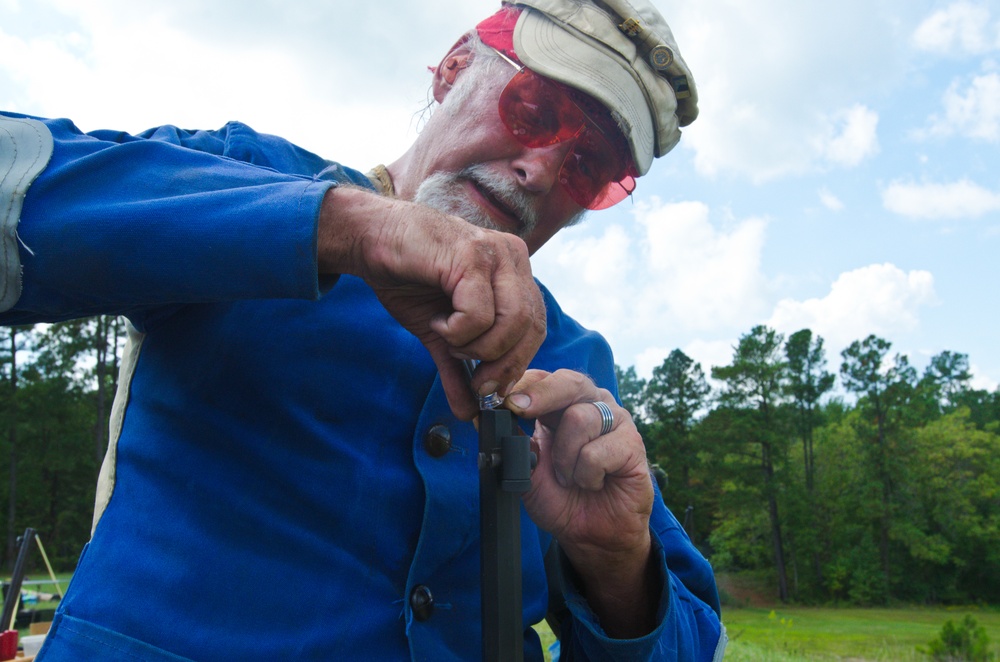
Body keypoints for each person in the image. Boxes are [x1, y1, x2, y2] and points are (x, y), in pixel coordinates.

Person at [0, 0, 727, 659]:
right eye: (534, 111)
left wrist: (618, 565)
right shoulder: (250, 176)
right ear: (454, 67)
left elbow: (692, 640)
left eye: (588, 167)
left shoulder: (575, 365)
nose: (540, 169)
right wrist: (343, 227)